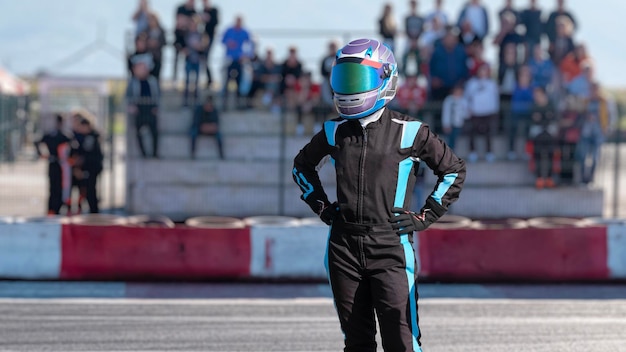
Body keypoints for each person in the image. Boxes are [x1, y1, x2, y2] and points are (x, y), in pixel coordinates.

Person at [292, 38, 466, 352]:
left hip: (391, 248)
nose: (349, 87)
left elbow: (453, 171)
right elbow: (301, 167)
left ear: (386, 78)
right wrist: (321, 207)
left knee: (401, 342)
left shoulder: (411, 131)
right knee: (357, 343)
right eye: (344, 78)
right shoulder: (334, 131)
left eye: (358, 79)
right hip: (343, 249)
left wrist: (427, 216)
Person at [34, 114, 72, 215]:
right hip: (56, 163)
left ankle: (56, 209)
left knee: (59, 188)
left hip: (61, 165)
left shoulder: (64, 136)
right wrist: (42, 154)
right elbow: (37, 142)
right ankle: (53, 209)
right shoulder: (58, 135)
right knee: (55, 187)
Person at [465, 62, 500, 163]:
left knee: (489, 133)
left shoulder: (492, 84)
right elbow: (467, 98)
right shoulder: (471, 83)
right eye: (481, 70)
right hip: (475, 113)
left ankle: (489, 152)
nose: (483, 72)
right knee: (472, 132)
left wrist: (495, 111)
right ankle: (472, 152)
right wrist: (468, 110)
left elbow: (495, 98)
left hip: (488, 113)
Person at [126, 58, 160, 158]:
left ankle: (154, 153)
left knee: (154, 132)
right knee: (139, 132)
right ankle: (143, 154)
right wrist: (131, 106)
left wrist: (156, 107)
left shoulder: (152, 81)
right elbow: (128, 96)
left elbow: (158, 95)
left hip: (150, 109)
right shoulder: (133, 82)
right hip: (139, 110)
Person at [70, 112, 104, 213]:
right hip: (83, 168)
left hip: (91, 168)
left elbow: (89, 154)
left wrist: (82, 161)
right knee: (80, 191)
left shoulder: (91, 137)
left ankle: (94, 212)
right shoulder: (79, 137)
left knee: (90, 192)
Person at [528, 86, 559, 188]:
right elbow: (533, 120)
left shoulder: (551, 106)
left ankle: (549, 178)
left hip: (549, 135)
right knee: (538, 156)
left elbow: (552, 119)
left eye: (539, 94)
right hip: (538, 136)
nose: (537, 97)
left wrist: (542, 119)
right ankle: (539, 178)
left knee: (550, 155)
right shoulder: (533, 106)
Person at [221, 15, 252, 110]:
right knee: (227, 82)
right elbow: (222, 40)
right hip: (229, 60)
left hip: (240, 62)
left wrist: (246, 56)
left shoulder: (245, 32)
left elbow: (250, 46)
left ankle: (239, 104)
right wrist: (228, 43)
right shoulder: (229, 30)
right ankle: (224, 104)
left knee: (240, 83)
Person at [508, 65, 534, 160]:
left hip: (528, 114)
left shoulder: (532, 87)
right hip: (516, 113)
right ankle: (511, 151)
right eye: (522, 74)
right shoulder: (515, 86)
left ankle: (526, 152)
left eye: (527, 75)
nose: (524, 77)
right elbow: (516, 99)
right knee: (513, 130)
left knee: (528, 132)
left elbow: (530, 100)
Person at [190, 95, 224, 160]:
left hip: (209, 130)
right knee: (193, 133)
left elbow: (216, 125)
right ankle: (192, 153)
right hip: (199, 129)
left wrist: (209, 127)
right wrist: (203, 127)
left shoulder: (214, 110)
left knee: (219, 135)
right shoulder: (199, 110)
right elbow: (196, 123)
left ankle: (221, 154)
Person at [172, 0, 197, 82]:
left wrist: (185, 20)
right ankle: (174, 78)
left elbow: (194, 22)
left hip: (187, 39)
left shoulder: (194, 11)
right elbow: (178, 21)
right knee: (176, 58)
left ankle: (186, 80)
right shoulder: (180, 8)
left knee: (188, 60)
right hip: (178, 37)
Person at [441, 83, 469, 150]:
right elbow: (446, 113)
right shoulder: (449, 100)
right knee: (450, 139)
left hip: (460, 123)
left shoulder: (463, 100)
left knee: (457, 139)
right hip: (450, 123)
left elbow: (466, 112)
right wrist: (446, 124)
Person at [200, 0, 219, 87]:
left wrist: (208, 19)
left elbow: (216, 22)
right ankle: (209, 79)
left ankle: (210, 79)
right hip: (203, 38)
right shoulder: (202, 11)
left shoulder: (214, 10)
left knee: (206, 58)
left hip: (210, 37)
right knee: (204, 59)